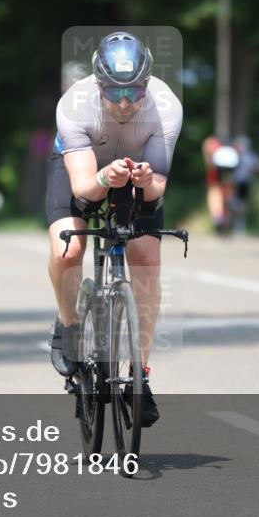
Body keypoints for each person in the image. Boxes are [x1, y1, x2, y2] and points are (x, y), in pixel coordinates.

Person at [46, 31, 183, 428]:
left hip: (133, 169)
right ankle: (69, 324)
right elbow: (84, 189)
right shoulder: (74, 105)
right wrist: (106, 177)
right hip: (85, 170)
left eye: (134, 92)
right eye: (114, 92)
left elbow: (158, 187)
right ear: (97, 85)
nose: (124, 102)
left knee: (147, 257)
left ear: (147, 85)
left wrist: (143, 180)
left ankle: (139, 374)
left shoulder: (166, 106)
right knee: (68, 251)